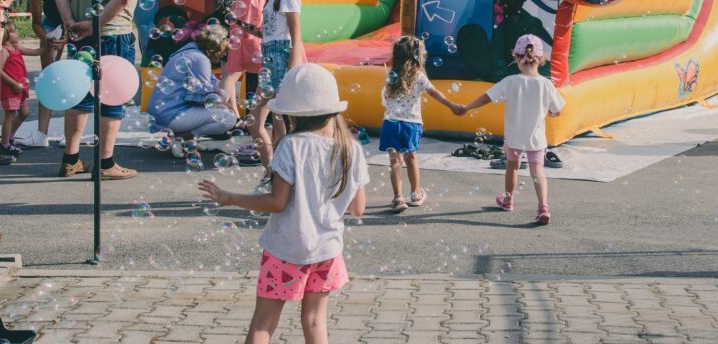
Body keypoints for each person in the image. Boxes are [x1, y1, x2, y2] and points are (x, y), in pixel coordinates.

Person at [198, 63, 368, 344]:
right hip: (327, 250)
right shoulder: (351, 149)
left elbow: (277, 202)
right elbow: (358, 208)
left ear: (291, 114)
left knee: (263, 323)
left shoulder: (291, 145)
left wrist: (230, 198)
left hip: (286, 249)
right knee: (315, 321)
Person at [53, 0, 142, 180]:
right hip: (113, 32)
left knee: (78, 95)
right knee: (112, 95)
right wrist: (96, 24)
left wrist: (69, 20)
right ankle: (106, 163)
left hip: (78, 32)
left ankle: (71, 159)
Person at [456, 35, 564, 225]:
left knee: (512, 167)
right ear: (541, 59)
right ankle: (543, 207)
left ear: (516, 57)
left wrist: (467, 107)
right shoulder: (546, 84)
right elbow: (557, 111)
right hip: (536, 138)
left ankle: (508, 199)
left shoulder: (510, 81)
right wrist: (551, 113)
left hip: (515, 137)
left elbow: (487, 97)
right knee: (537, 171)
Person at [380, 36, 461, 213]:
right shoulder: (418, 76)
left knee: (395, 161)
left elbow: (385, 97)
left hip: (391, 123)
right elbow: (434, 93)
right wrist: (452, 105)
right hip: (411, 124)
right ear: (417, 56)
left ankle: (398, 198)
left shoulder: (391, 76)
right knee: (411, 158)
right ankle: (416, 194)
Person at [247, 0, 305, 175]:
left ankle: (282, 176)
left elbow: (295, 37)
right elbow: (273, 33)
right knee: (254, 122)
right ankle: (272, 171)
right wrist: (250, 29)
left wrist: (292, 69)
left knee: (281, 125)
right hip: (270, 61)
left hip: (281, 61)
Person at [147, 24, 237, 143]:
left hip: (163, 111)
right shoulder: (200, 59)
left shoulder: (190, 51)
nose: (224, 54)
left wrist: (222, 93)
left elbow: (213, 86)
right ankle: (185, 136)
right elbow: (206, 99)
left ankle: (182, 133)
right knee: (230, 119)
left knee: (223, 95)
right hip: (172, 114)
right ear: (215, 47)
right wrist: (231, 110)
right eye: (224, 50)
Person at [219, 0, 273, 115]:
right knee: (258, 77)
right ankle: (236, 118)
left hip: (247, 34)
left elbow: (252, 7)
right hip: (250, 33)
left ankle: (229, 117)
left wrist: (250, 31)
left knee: (231, 75)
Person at [17, 0, 66, 148]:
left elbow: (78, 15)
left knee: (73, 76)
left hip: (74, 20)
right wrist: (47, 39)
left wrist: (67, 37)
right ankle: (41, 134)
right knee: (48, 78)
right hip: (51, 24)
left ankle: (70, 132)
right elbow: (36, 23)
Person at [0, 21, 48, 160]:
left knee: (24, 113)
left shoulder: (16, 48)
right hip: (10, 89)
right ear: (6, 35)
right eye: (14, 31)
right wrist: (14, 83)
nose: (17, 33)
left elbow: (36, 52)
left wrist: (49, 44)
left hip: (19, 89)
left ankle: (9, 138)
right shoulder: (4, 51)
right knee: (10, 116)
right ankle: (4, 145)